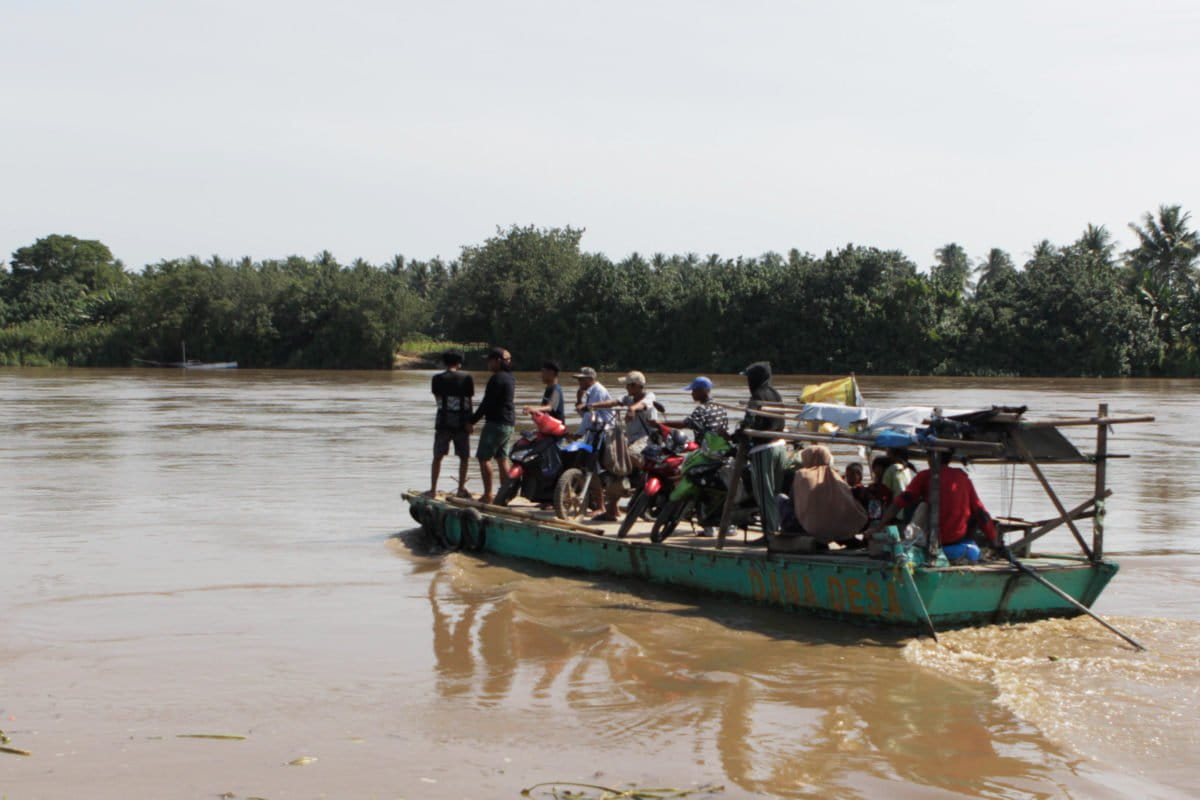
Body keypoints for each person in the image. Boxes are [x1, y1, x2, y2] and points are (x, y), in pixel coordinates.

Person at [869, 457, 997, 551]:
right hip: (957, 537)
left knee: (922, 505)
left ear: (930, 458)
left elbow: (900, 502)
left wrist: (879, 526)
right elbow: (981, 512)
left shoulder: (925, 476)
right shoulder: (963, 478)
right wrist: (994, 541)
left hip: (935, 540)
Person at [588, 371, 659, 520]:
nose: (626, 388)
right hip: (630, 440)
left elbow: (643, 405)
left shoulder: (649, 396)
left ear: (636, 386)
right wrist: (592, 405)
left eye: (628, 385)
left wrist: (632, 409)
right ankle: (611, 510)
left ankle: (648, 474)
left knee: (631, 455)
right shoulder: (628, 398)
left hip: (647, 440)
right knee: (614, 465)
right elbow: (614, 402)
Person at [737, 361, 786, 543]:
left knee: (764, 494)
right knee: (775, 492)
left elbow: (750, 422)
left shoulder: (757, 396)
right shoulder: (775, 394)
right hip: (780, 447)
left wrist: (740, 433)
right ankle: (777, 529)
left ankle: (770, 535)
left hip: (763, 449)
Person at [790, 445, 868, 544]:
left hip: (808, 527)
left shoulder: (801, 475)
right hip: (837, 527)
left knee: (781, 499)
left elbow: (793, 502)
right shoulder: (835, 475)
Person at [470, 347, 515, 505]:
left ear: (497, 361)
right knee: (502, 458)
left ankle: (488, 494)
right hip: (508, 424)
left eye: (489, 360)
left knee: (484, 458)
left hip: (495, 424)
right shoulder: (510, 378)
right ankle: (505, 495)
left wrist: (472, 421)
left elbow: (486, 404)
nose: (488, 364)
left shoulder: (497, 379)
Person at [428, 350, 474, 498]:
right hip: (462, 422)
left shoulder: (437, 379)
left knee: (437, 456)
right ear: (459, 363)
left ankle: (433, 490)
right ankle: (461, 488)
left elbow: (438, 400)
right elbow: (468, 402)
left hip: (443, 422)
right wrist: (470, 422)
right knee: (464, 457)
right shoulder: (467, 378)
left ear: (444, 362)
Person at [668, 376, 728, 441]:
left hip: (706, 447)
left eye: (694, 390)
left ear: (702, 391)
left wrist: (660, 424)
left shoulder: (701, 409)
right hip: (719, 445)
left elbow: (684, 424)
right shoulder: (720, 407)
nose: (692, 393)